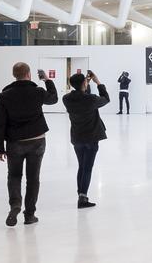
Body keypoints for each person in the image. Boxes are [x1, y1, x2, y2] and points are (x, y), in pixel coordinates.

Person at [0, 63, 58, 226]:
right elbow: (53, 98)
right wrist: (47, 80)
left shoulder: (4, 96)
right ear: (29, 74)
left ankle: (15, 205)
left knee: (14, 176)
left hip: (15, 142)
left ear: (14, 75)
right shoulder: (37, 92)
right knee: (33, 178)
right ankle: (29, 215)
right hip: (37, 140)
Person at [62, 70, 110, 209]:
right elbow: (106, 98)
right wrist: (98, 82)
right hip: (91, 138)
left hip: (77, 138)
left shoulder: (66, 99)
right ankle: (82, 197)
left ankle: (81, 195)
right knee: (87, 168)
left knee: (82, 167)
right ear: (84, 83)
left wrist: (85, 83)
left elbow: (80, 95)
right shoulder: (91, 100)